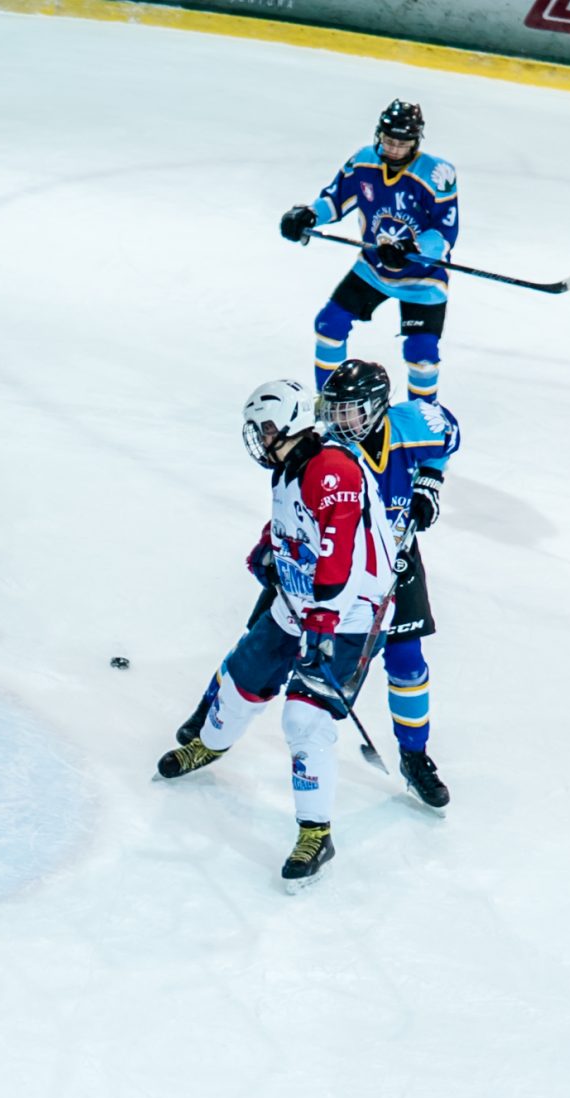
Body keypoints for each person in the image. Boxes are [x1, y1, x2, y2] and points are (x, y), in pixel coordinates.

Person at [174, 359, 457, 809]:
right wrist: (272, 542)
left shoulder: (412, 424)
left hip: (387, 565)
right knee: (261, 634)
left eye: (351, 411)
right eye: (335, 409)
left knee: (407, 659)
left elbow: (449, 434)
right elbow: (296, 502)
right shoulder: (322, 445)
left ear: (378, 407)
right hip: (318, 562)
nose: (341, 421)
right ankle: (211, 709)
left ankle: (414, 755)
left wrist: (429, 482)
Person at [155, 378, 394, 886]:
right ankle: (210, 744)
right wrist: (270, 546)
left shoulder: (331, 470)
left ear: (291, 422)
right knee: (245, 674)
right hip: (300, 599)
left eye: (265, 427)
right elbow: (295, 521)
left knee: (304, 719)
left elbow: (341, 554)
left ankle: (316, 833)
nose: (260, 437)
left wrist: (324, 625)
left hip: (348, 615)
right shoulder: (291, 464)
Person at [279, 100, 459, 404]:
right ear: (379, 135)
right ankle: (330, 407)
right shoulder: (363, 162)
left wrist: (412, 248)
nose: (394, 150)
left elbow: (445, 232)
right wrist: (309, 215)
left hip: (423, 280)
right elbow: (335, 200)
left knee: (422, 356)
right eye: (389, 141)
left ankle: (425, 418)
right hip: (373, 269)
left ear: (416, 142)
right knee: (329, 325)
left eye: (402, 143)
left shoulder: (438, 174)